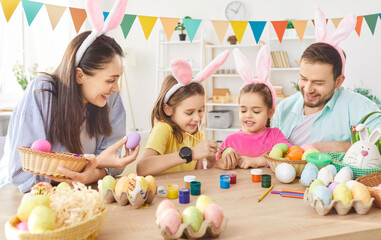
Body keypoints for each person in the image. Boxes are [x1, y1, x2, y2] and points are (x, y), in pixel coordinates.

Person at [0, 0, 138, 193]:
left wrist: (94, 173)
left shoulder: (110, 99)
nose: (115, 88)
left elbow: (114, 163)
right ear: (80, 75)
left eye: (117, 79)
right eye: (110, 80)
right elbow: (21, 173)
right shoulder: (42, 93)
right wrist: (87, 169)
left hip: (82, 192)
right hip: (27, 197)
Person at [273, 8, 381, 153]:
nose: (308, 88)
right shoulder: (284, 109)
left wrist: (340, 147)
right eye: (303, 78)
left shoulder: (361, 108)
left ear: (339, 81)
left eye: (318, 83)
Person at [137, 51, 229, 176]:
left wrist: (212, 161)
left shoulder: (196, 134)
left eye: (200, 110)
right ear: (168, 109)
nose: (197, 118)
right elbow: (142, 168)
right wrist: (190, 153)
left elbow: (198, 177)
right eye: (189, 112)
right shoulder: (164, 129)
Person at [215, 47, 291, 169]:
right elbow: (215, 166)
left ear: (270, 112)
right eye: (243, 110)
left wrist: (258, 161)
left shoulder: (275, 136)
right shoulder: (230, 141)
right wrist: (224, 162)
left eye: (256, 111)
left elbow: (288, 154)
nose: (248, 115)